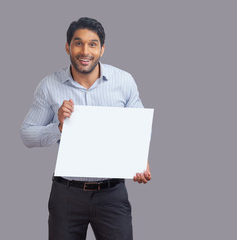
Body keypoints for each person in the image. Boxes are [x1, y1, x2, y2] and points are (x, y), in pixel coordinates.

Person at [20, 17, 151, 240]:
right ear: (67, 47)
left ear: (102, 49)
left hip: (112, 194)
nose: (85, 51)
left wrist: (140, 161)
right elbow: (27, 134)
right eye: (78, 43)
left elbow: (137, 128)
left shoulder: (124, 81)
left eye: (92, 44)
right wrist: (59, 126)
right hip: (67, 195)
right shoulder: (49, 85)